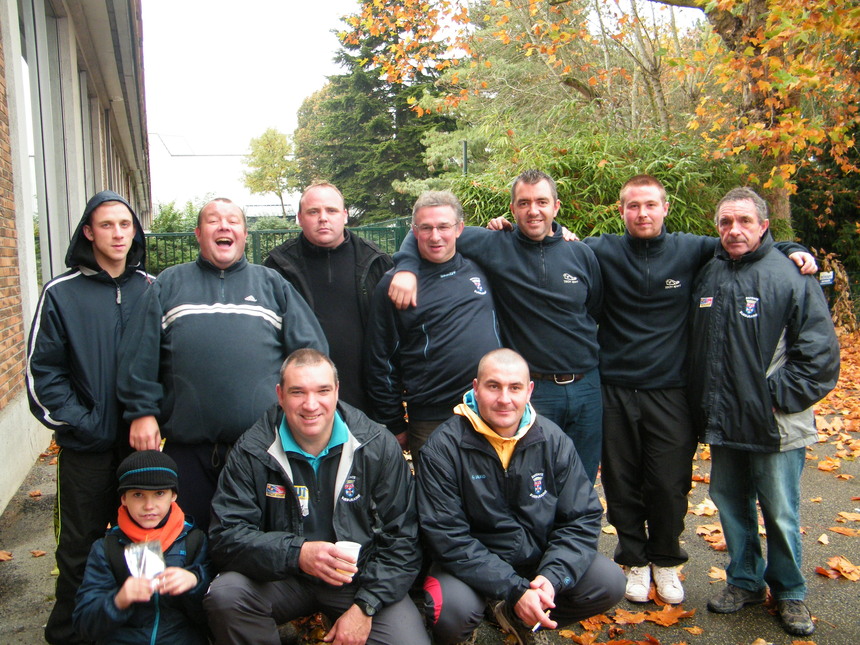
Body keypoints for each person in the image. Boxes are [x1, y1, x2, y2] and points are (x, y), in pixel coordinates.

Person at [488, 175, 817, 605]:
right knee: (621, 484)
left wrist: (793, 249)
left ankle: (666, 560)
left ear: (665, 208)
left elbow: (745, 244)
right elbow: (556, 247)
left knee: (668, 484)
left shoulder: (692, 249)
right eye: (633, 206)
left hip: (672, 391)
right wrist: (516, 227)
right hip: (615, 388)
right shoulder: (599, 250)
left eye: (649, 205)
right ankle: (634, 561)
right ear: (621, 211)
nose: (642, 213)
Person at [117, 198, 327, 524]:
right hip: (187, 451)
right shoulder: (168, 285)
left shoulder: (273, 285)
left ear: (244, 234)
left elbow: (311, 357)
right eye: (214, 220)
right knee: (187, 538)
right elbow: (139, 354)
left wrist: (305, 412)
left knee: (261, 536)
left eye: (233, 220)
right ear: (198, 233)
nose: (224, 226)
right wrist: (141, 412)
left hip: (262, 449)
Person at [688, 187, 840, 637]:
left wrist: (774, 397)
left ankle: (790, 592)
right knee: (731, 504)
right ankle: (745, 581)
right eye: (725, 222)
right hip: (724, 420)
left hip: (776, 423)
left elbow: (819, 354)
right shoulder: (708, 272)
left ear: (764, 226)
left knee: (780, 511)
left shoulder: (790, 274)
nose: (734, 230)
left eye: (745, 221)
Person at [389, 170, 604, 481]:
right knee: (531, 480)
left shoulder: (580, 253)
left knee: (582, 479)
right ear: (512, 208)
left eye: (542, 202)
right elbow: (428, 228)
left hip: (587, 387)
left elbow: (593, 310)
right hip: (532, 389)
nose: (533, 210)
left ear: (556, 207)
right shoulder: (494, 244)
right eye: (524, 203)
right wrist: (407, 268)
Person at [205, 349, 428, 645]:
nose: (311, 405)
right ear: (280, 395)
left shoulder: (377, 446)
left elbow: (404, 538)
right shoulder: (252, 450)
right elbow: (225, 537)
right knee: (227, 596)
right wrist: (297, 554)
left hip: (358, 579)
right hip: (282, 577)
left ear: (336, 391)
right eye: (297, 392)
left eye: (322, 391)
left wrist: (366, 606)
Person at [417, 349, 625, 644]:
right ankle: (476, 620)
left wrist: (551, 578)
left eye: (515, 388)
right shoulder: (443, 449)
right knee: (451, 610)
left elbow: (581, 517)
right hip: (469, 566)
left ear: (529, 391)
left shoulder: (553, 441)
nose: (504, 399)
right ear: (475, 388)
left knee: (609, 582)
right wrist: (514, 589)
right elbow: (446, 537)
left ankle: (517, 617)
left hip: (536, 560)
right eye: (493, 386)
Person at [26, 190, 151, 644]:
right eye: (106, 225)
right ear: (88, 233)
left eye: (125, 224)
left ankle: (142, 628)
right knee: (79, 548)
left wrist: (153, 417)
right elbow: (43, 373)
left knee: (145, 541)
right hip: (86, 449)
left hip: (141, 447)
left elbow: (170, 362)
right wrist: (85, 423)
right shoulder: (61, 294)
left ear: (135, 232)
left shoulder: (151, 288)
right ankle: (71, 633)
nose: (118, 234)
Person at [364, 191, 501, 454]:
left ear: (459, 229)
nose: (435, 236)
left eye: (443, 227)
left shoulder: (480, 268)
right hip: (432, 420)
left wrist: (560, 232)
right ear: (414, 231)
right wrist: (394, 422)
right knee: (435, 482)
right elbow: (380, 359)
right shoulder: (394, 285)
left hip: (488, 411)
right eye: (426, 228)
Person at [264, 182, 392, 411]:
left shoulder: (377, 262)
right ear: (299, 218)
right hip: (304, 405)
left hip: (368, 400)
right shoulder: (278, 267)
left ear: (345, 215)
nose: (323, 218)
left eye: (331, 210)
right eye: (313, 212)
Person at [73, 450, 210, 644]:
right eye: (138, 495)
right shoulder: (107, 549)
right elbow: (83, 625)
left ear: (173, 495)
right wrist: (118, 601)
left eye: (159, 494)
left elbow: (214, 615)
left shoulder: (194, 541)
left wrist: (195, 582)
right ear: (123, 498)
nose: (149, 506)